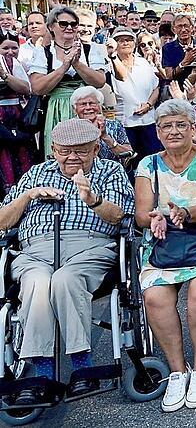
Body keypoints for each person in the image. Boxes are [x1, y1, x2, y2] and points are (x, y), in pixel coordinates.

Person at [0, 118, 133, 404]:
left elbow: (120, 215)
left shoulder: (110, 171)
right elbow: (2, 221)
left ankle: (81, 367)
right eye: (65, 151)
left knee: (65, 280)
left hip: (89, 247)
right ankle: (41, 373)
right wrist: (28, 196)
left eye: (81, 151)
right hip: (35, 250)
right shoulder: (35, 174)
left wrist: (92, 199)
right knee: (37, 283)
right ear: (53, 150)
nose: (72, 157)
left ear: (96, 148)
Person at [134, 99, 196, 412]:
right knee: (154, 296)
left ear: (193, 129)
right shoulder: (147, 165)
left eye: (181, 124)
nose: (174, 130)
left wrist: (184, 212)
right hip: (165, 241)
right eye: (167, 126)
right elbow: (141, 215)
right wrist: (156, 217)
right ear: (158, 132)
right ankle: (178, 370)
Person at [28, 7, 108, 157]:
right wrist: (64, 67)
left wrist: (77, 64)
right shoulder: (43, 52)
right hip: (56, 109)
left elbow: (100, 81)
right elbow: (37, 88)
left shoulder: (90, 50)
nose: (69, 27)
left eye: (74, 24)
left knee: (89, 152)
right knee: (61, 154)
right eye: (64, 23)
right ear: (51, 26)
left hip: (87, 108)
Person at [109, 27, 162, 159]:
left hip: (149, 122)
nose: (125, 43)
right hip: (124, 123)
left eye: (128, 40)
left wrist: (149, 105)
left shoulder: (143, 63)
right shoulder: (108, 65)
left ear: (134, 44)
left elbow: (156, 87)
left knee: (152, 159)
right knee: (129, 162)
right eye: (120, 40)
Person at [0, 38, 37, 194]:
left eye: (14, 48)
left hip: (15, 115)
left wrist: (4, 75)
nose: (10, 52)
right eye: (5, 48)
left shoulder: (15, 65)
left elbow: (25, 88)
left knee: (21, 152)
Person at [70, 86, 133, 164]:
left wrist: (105, 137)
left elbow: (129, 154)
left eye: (92, 103)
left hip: (111, 171)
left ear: (99, 106)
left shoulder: (114, 125)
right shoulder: (68, 127)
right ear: (74, 109)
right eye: (83, 104)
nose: (88, 107)